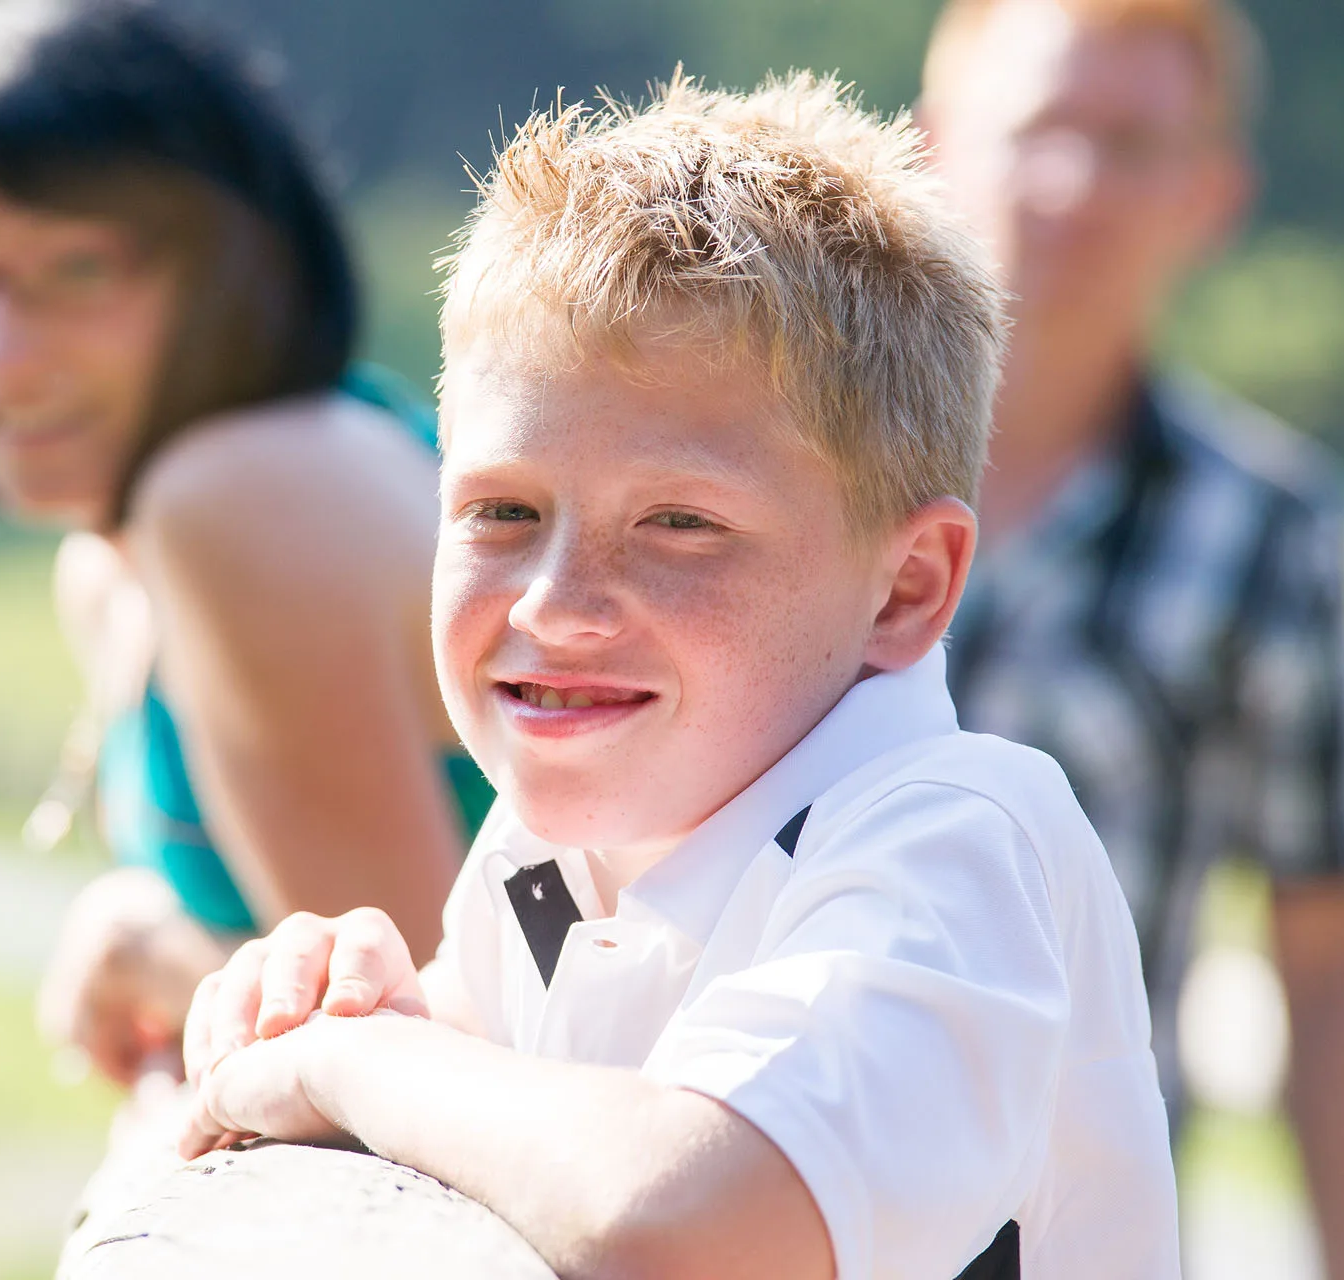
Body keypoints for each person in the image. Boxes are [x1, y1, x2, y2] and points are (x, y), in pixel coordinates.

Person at [170, 75, 1182, 1279]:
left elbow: (682, 1218)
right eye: (501, 509)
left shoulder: (952, 844)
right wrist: (352, 1002)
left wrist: (351, 1062)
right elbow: (504, 1100)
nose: (554, 602)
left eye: (680, 524)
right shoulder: (553, 848)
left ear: (907, 587)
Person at [0, 0, 493, 1090]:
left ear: (229, 257)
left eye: (78, 269)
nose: (6, 361)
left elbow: (421, 1040)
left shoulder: (247, 496)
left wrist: (148, 954)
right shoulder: (114, 563)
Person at [916, 0, 1344, 1274]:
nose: (1072, 180)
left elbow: (1329, 962)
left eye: (1130, 144)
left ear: (1211, 194)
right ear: (931, 141)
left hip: (1074, 1229)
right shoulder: (782, 478)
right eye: (1039, 127)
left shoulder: (1269, 531)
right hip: (762, 1188)